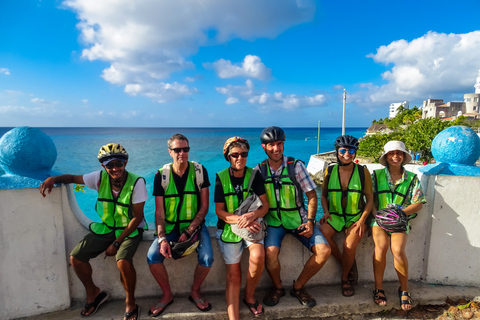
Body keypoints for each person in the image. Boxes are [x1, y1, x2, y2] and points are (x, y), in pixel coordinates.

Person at [40, 143, 147, 320]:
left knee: (122, 261)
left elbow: (137, 218)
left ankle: (131, 302)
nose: (114, 168)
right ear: (103, 166)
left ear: (126, 162)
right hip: (106, 228)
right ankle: (94, 294)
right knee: (76, 258)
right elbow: (73, 178)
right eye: (109, 165)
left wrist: (116, 243)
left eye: (118, 164)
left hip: (130, 230)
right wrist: (54, 179)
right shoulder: (97, 178)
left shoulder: (137, 182)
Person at [257, 126, 331, 308]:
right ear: (264, 147)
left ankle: (298, 287)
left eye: (279, 144)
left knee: (324, 251)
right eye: (271, 145)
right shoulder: (259, 170)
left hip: (299, 219)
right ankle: (277, 287)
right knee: (270, 253)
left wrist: (310, 221)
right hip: (274, 221)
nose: (276, 149)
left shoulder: (296, 166)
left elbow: (312, 196)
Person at [146, 133, 213, 316]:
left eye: (185, 149)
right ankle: (167, 295)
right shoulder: (161, 176)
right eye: (177, 150)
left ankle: (195, 291)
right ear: (170, 152)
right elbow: (159, 212)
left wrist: (189, 231)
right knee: (152, 257)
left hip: (194, 227)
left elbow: (205, 206)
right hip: (169, 227)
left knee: (207, 258)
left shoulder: (199, 171)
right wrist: (162, 239)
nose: (182, 153)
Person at [215, 137, 269, 320]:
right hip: (230, 228)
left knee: (258, 256)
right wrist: (240, 220)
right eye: (235, 155)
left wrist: (252, 216)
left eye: (244, 154)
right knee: (233, 274)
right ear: (228, 157)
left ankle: (249, 295)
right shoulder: (221, 177)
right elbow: (219, 211)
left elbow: (265, 206)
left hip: (251, 225)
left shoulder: (254, 175)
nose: (240, 158)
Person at [371, 140, 425, 311]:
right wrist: (377, 215)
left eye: (399, 153)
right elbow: (369, 198)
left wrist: (401, 214)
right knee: (380, 247)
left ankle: (404, 289)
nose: (396, 156)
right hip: (379, 220)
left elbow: (418, 202)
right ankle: (378, 288)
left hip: (401, 221)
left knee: (398, 250)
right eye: (392, 153)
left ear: (404, 156)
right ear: (386, 157)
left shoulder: (412, 178)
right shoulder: (376, 175)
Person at [319, 135, 373, 297]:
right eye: (343, 150)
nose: (347, 154)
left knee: (349, 246)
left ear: (355, 152)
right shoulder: (330, 170)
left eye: (351, 150)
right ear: (337, 152)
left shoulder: (363, 172)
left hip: (355, 216)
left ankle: (344, 278)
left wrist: (363, 220)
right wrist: (326, 211)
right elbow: (323, 195)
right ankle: (346, 264)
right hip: (334, 214)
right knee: (323, 233)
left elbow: (369, 199)